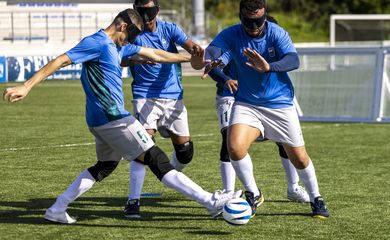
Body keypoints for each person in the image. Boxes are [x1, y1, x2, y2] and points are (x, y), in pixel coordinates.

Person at [3, 9, 241, 224]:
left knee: (105, 166)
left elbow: (156, 54)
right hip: (114, 118)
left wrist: (192, 59)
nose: (130, 43)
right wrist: (26, 86)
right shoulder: (97, 42)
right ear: (122, 27)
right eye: (130, 37)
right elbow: (60, 60)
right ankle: (211, 202)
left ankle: (58, 208)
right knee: (157, 159)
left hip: (100, 121)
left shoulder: (119, 46)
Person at [193, 0, 329, 218]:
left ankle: (316, 198)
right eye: (249, 21)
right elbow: (215, 50)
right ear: (241, 16)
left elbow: (294, 60)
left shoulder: (277, 33)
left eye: (258, 21)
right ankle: (253, 194)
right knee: (234, 146)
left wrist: (269, 67)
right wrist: (209, 60)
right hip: (247, 103)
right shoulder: (232, 34)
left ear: (264, 15)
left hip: (280, 104)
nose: (254, 27)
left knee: (300, 158)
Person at [121, 0, 203, 218]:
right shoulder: (131, 33)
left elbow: (188, 45)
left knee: (185, 152)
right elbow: (119, 60)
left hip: (174, 97)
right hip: (144, 96)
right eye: (141, 11)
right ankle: (133, 202)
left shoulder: (170, 28)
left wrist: (195, 49)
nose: (145, 16)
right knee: (142, 149)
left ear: (157, 10)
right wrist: (135, 60)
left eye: (149, 10)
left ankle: (172, 177)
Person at [208, 57, 309, 204]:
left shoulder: (267, 39)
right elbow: (211, 64)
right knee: (229, 140)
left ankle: (293, 188)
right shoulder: (229, 39)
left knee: (284, 141)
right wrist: (225, 79)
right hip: (229, 96)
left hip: (260, 97)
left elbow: (289, 60)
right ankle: (229, 192)